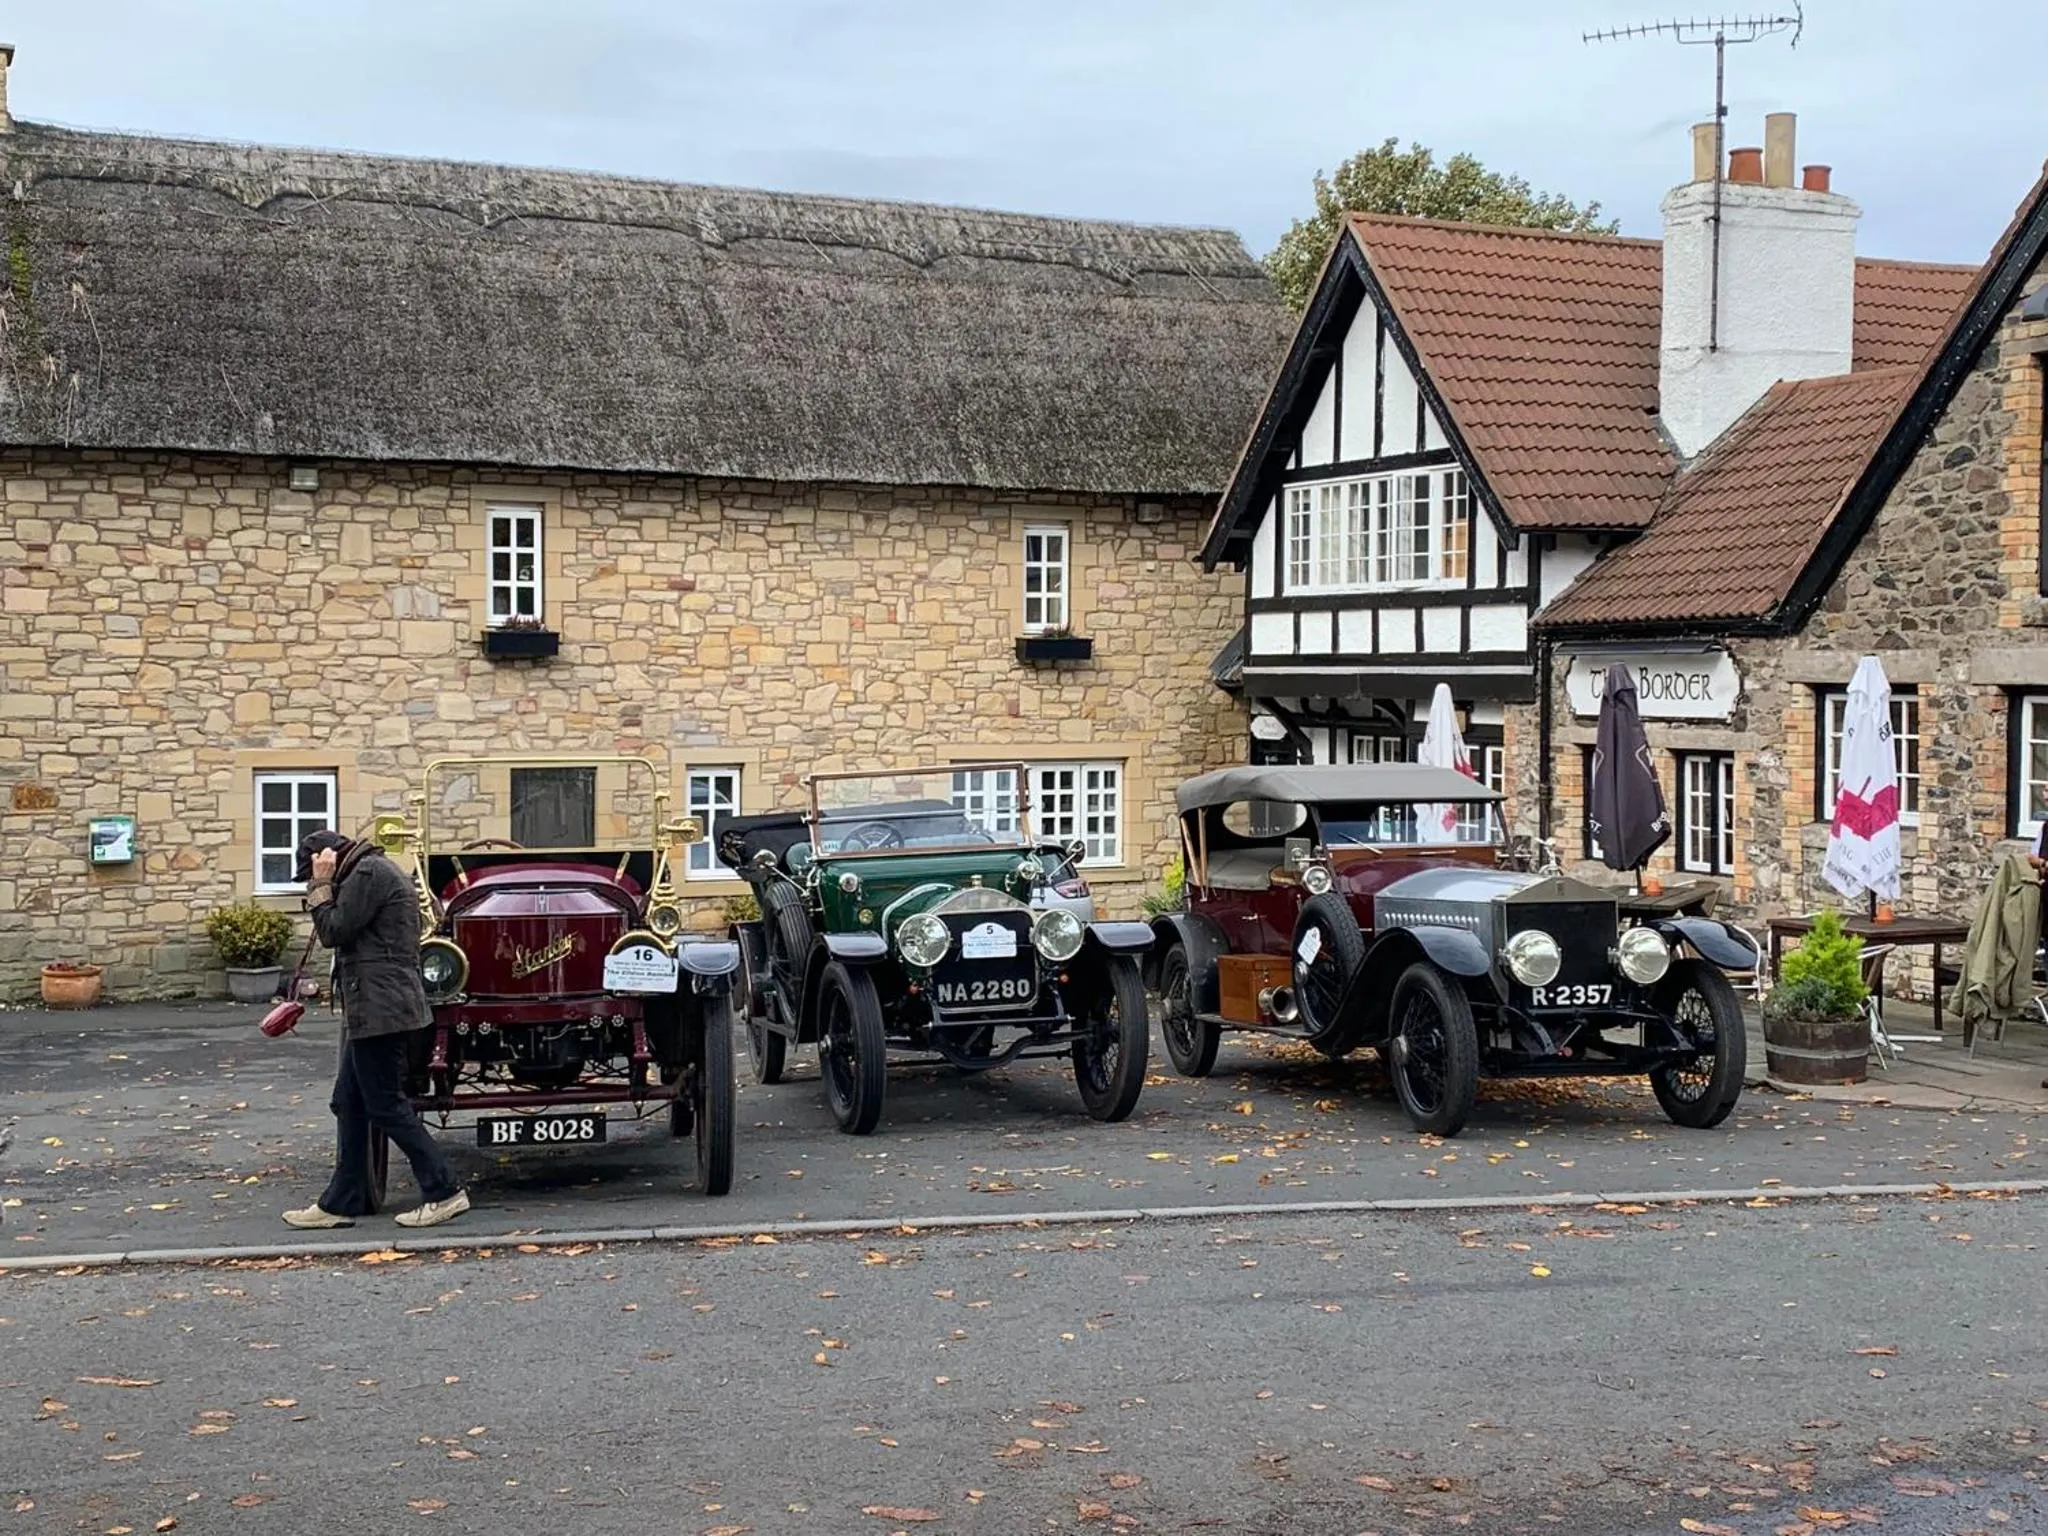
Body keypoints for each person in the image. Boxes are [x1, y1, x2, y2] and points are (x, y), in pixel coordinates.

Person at [282, 828, 470, 1230]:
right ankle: (341, 1201)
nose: (313, 879)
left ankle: (445, 1191)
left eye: (313, 870)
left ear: (326, 858)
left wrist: (320, 885)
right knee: (348, 1101)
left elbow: (334, 930)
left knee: (385, 1103)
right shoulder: (368, 871)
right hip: (373, 1009)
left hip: (383, 1011)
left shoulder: (368, 874)